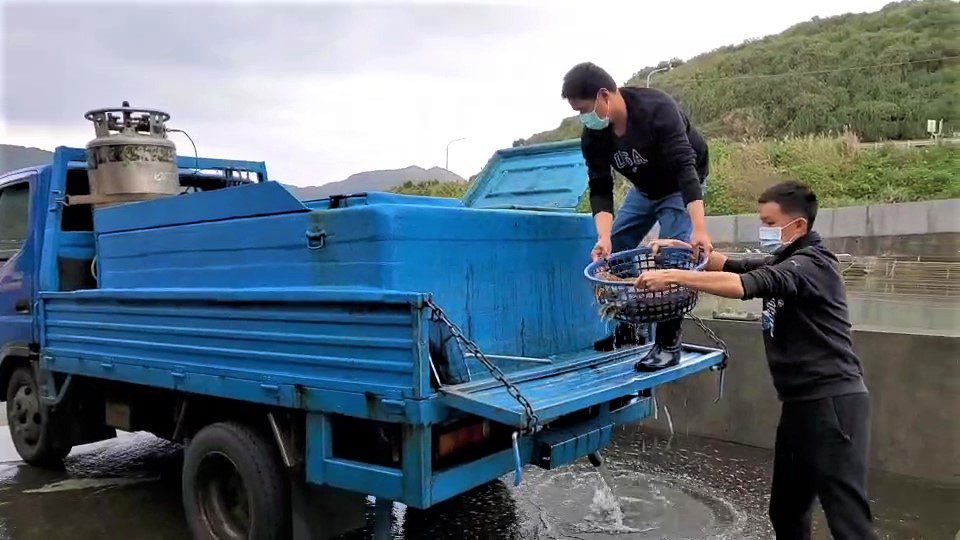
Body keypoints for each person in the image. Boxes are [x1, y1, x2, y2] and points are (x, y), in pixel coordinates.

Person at [636, 181, 876, 539]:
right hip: (799, 405)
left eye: (768, 221)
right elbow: (729, 264)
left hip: (833, 403)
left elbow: (743, 284)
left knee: (848, 522)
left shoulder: (812, 264)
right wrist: (682, 252)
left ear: (797, 226)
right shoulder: (785, 257)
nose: (763, 229)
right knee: (786, 512)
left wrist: (672, 276)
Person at [561, 62, 711, 370]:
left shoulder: (656, 109)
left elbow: (686, 167)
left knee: (671, 254)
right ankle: (629, 327)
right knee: (617, 246)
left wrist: (699, 228)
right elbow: (600, 187)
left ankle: (668, 344)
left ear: (605, 95)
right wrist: (603, 237)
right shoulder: (594, 136)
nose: (583, 118)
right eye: (577, 112)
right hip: (644, 190)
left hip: (681, 184)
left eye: (584, 109)